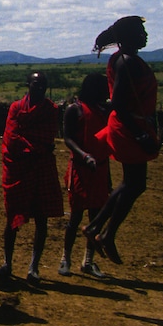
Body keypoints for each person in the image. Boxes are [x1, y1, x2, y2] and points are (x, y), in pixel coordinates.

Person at [83, 15, 160, 266]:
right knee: (134, 183)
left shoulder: (122, 59)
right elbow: (118, 102)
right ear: (127, 36)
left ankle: (98, 228)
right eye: (140, 31)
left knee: (133, 183)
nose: (145, 35)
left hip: (130, 124)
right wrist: (139, 134)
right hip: (129, 126)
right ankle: (103, 232)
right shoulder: (127, 62)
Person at [0, 71, 62, 284]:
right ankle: (7, 263)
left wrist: (32, 147)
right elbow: (11, 138)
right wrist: (35, 149)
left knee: (41, 218)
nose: (39, 87)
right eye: (35, 83)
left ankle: (34, 267)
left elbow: (47, 136)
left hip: (41, 167)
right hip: (20, 168)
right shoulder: (16, 107)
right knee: (13, 217)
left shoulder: (51, 110)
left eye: (43, 84)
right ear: (28, 84)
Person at [59, 73, 112, 278]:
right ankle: (66, 258)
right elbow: (68, 138)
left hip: (100, 168)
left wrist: (107, 177)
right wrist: (84, 155)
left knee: (96, 218)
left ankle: (88, 261)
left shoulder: (103, 111)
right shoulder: (75, 109)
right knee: (76, 217)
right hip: (81, 169)